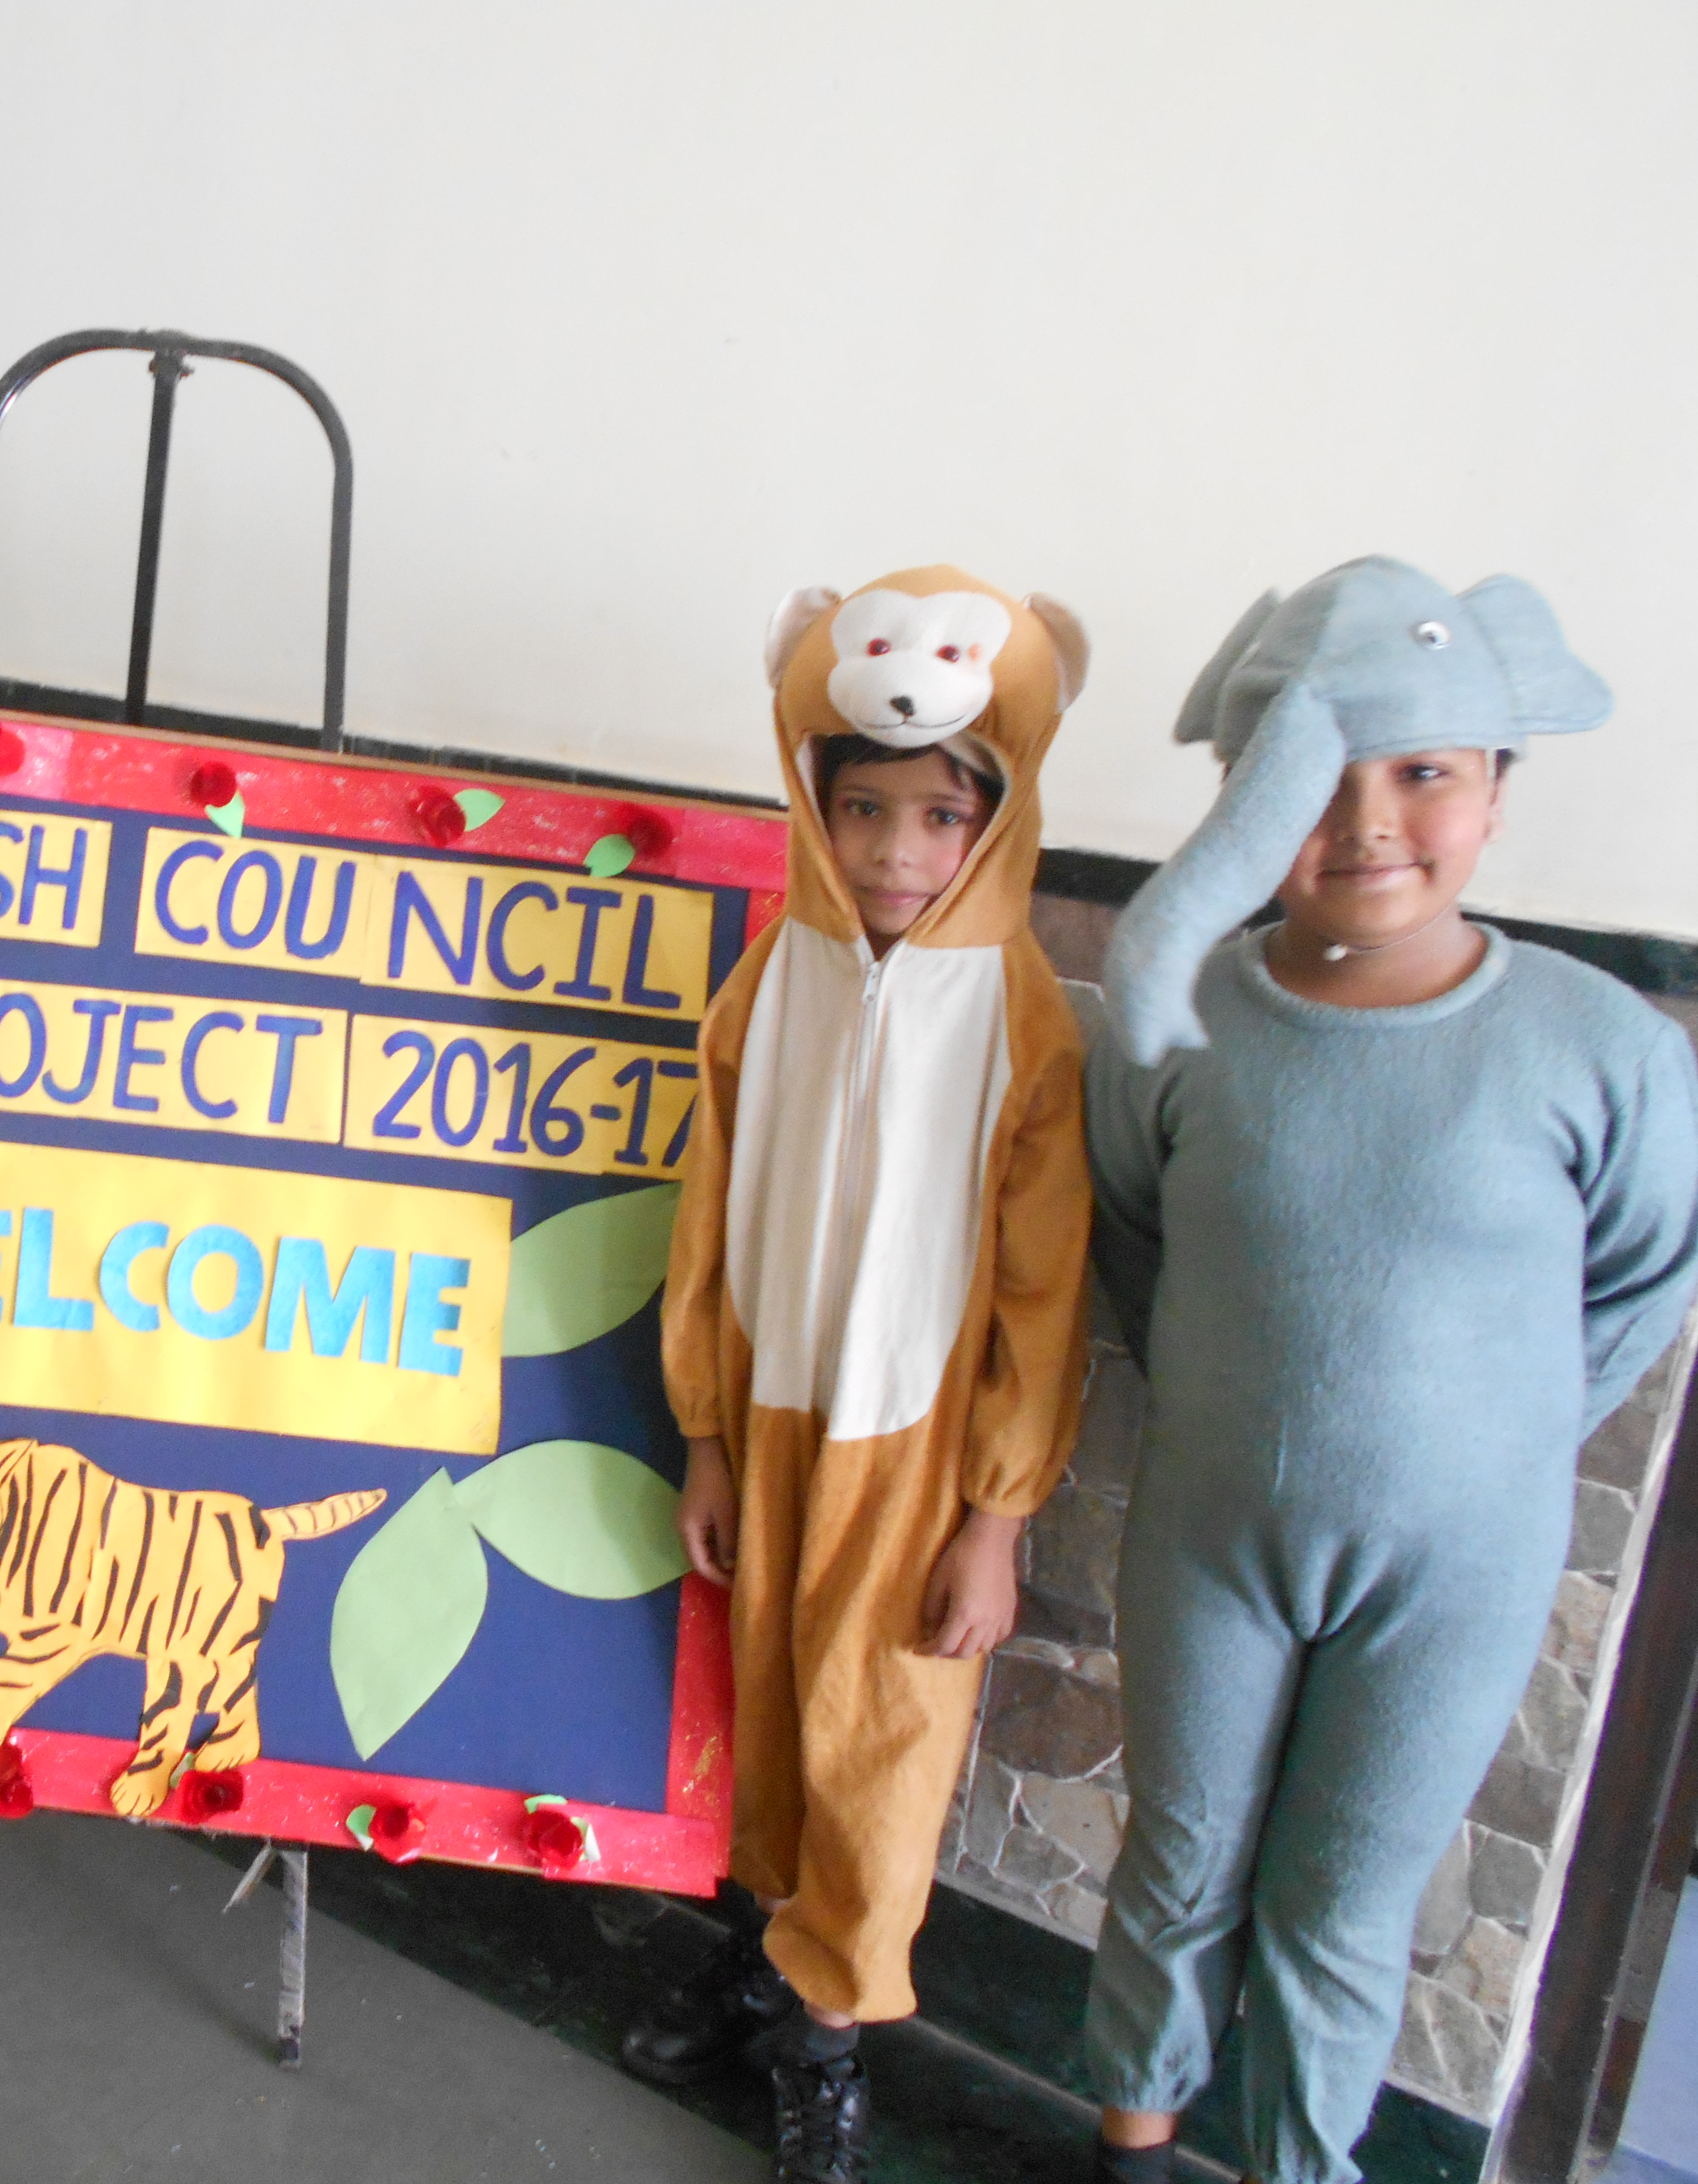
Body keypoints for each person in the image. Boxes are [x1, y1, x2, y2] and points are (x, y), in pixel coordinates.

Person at [1083, 558, 1698, 2184]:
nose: (1368, 823)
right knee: (1179, 1859)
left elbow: (1644, 1276)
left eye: (1422, 771)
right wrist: (1236, 1403)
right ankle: (1134, 2147)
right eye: (1311, 780)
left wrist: (1486, 1445)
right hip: (1211, 1538)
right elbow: (1136, 1233)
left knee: (1345, 1903)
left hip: (1460, 1573)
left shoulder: (1604, 1048)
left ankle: (1301, 2163)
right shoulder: (1181, 1016)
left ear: (1496, 788)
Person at [644, 570, 1097, 2181]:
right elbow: (710, 1212)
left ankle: (829, 2046)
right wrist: (708, 1433)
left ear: (996, 817)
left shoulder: (1022, 1017)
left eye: (939, 816)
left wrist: (996, 1515)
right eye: (863, 810)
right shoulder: (773, 980)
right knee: (772, 1714)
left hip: (914, 1456)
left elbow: (1043, 1290)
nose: (898, 853)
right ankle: (766, 1965)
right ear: (813, 806)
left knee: (882, 1749)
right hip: (771, 1416)